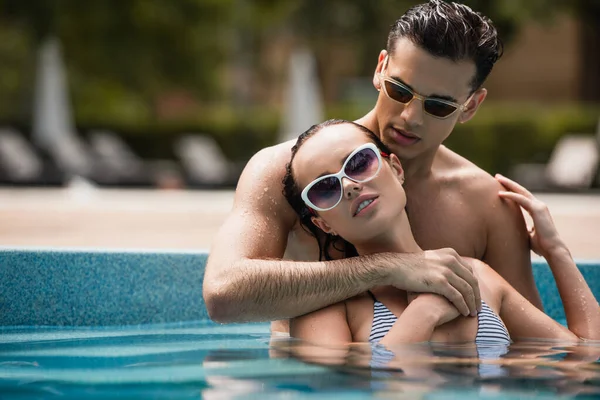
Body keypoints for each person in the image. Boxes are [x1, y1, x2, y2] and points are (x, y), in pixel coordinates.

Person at [203, 1, 540, 329]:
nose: (410, 118)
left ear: (471, 106)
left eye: (438, 106)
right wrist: (387, 267)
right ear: (381, 69)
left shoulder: (487, 205)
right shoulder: (288, 172)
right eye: (400, 90)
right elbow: (223, 294)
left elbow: (535, 352)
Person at [283, 119, 600, 345]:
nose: (350, 185)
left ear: (396, 168)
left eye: (358, 162)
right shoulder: (325, 306)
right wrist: (424, 314)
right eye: (325, 188)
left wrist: (557, 252)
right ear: (322, 223)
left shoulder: (476, 274)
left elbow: (584, 357)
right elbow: (338, 392)